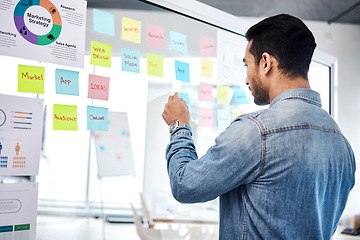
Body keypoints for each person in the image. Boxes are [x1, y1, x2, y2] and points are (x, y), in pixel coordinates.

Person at [161, 14, 355, 239]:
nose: (245, 80)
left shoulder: (256, 132)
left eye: (246, 65)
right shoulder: (342, 144)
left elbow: (185, 185)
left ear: (265, 62)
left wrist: (179, 125)